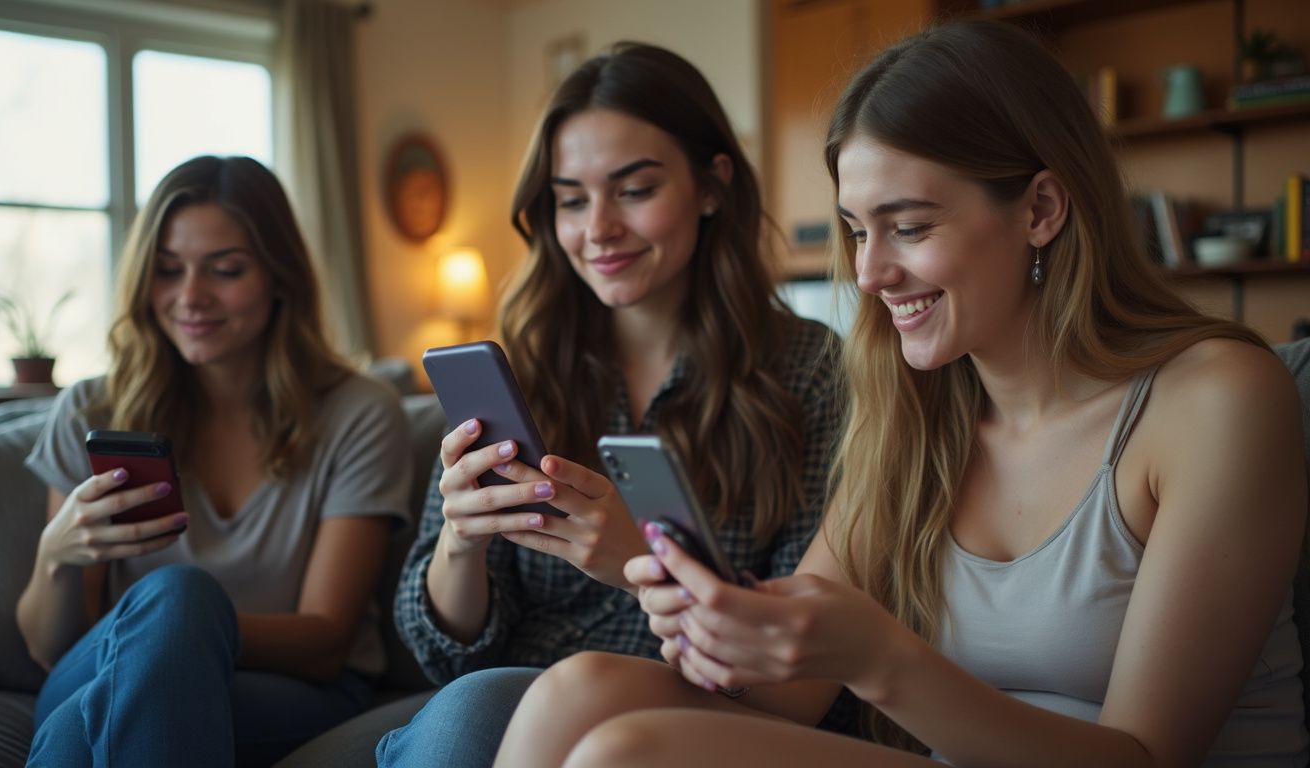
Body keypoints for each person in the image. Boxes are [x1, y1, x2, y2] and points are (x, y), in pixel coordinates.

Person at [494, 20, 1310, 767]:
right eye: (856, 230)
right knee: (575, 692)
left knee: (626, 754)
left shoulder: (1216, 399)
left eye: (909, 227)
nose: (869, 273)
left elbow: (1144, 758)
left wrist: (880, 658)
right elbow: (785, 700)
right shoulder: (916, 413)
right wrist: (698, 610)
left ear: (1043, 208)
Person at [370, 42, 843, 768]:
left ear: (713, 185)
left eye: (634, 189)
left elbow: (796, 659)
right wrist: (461, 543)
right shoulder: (523, 366)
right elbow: (441, 647)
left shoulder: (808, 373)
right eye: (570, 200)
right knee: (465, 710)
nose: (597, 230)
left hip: (685, 709)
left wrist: (637, 562)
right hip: (500, 695)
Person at [16, 155, 414, 767]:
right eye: (167, 270)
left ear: (280, 276)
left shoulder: (359, 412)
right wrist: (55, 557)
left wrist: (180, 625)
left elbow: (326, 641)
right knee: (165, 618)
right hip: (107, 668)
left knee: (92, 714)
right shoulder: (92, 409)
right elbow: (53, 649)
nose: (191, 298)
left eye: (225, 270)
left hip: (296, 692)